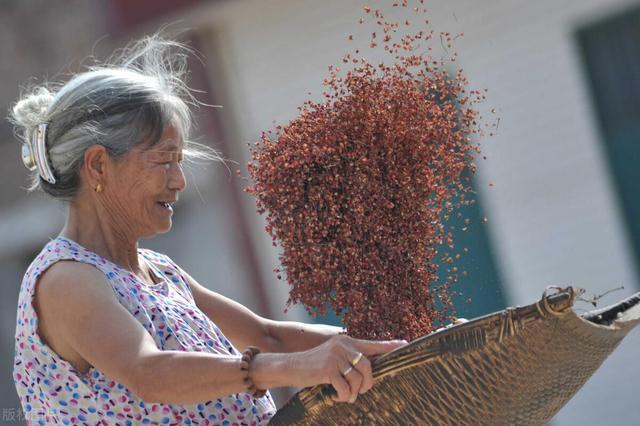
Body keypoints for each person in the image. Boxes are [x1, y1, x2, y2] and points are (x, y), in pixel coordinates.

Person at [10, 35, 406, 425]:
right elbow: (150, 372)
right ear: (98, 166)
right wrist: (290, 369)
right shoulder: (65, 279)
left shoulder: (159, 273)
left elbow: (267, 337)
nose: (179, 180)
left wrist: (395, 344)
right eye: (164, 161)